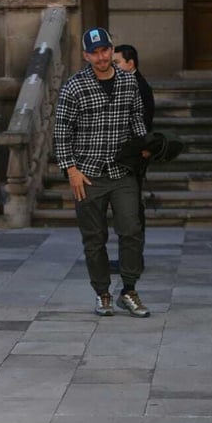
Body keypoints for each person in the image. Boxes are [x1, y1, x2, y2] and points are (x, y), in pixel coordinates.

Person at [53, 27, 150, 318]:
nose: (101, 57)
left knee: (132, 231)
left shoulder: (128, 83)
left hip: (122, 172)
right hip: (88, 175)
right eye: (94, 52)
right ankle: (102, 294)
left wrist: (145, 145)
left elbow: (137, 119)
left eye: (105, 50)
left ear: (111, 50)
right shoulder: (74, 86)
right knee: (94, 238)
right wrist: (70, 170)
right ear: (86, 55)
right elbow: (61, 133)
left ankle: (129, 291)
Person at [111, 44, 155, 274]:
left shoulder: (138, 87)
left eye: (116, 62)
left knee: (131, 210)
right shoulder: (129, 84)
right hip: (128, 157)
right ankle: (130, 259)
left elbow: (141, 127)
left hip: (132, 158)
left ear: (131, 63)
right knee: (127, 209)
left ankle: (133, 260)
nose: (113, 67)